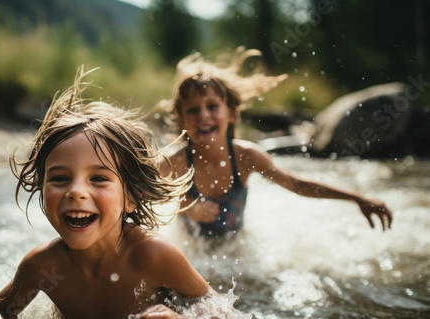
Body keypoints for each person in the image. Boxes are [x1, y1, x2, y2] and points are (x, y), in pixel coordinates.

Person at [0, 68, 223, 319]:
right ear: (41, 188)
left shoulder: (153, 256)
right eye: (59, 178)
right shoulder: (44, 266)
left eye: (98, 179)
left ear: (131, 197)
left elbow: (220, 312)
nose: (76, 191)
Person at [159, 47, 392, 240]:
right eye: (192, 110)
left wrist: (356, 197)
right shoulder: (175, 161)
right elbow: (140, 188)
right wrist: (188, 206)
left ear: (231, 113)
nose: (203, 116)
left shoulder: (245, 156)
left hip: (234, 250)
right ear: (181, 121)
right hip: (191, 253)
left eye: (212, 106)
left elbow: (297, 184)